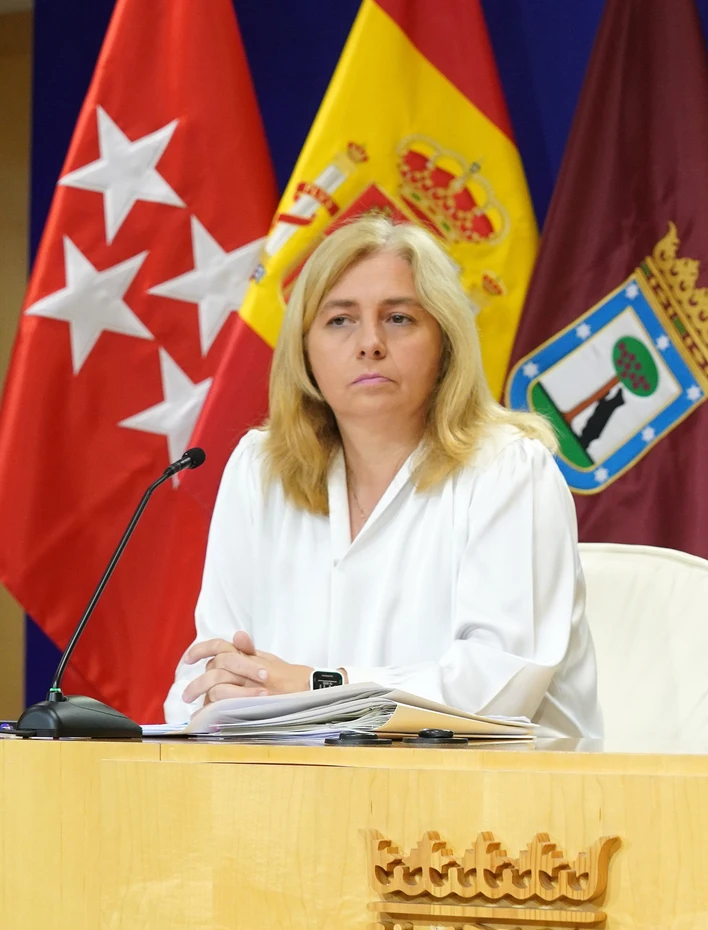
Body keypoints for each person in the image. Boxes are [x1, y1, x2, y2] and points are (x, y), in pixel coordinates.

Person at [164, 215, 601, 738]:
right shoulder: (260, 469)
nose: (369, 343)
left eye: (398, 319)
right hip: (297, 788)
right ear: (305, 350)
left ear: (444, 341)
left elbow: (494, 690)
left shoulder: (509, 467)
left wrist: (320, 686)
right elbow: (208, 670)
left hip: (492, 802)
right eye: (340, 320)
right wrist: (224, 691)